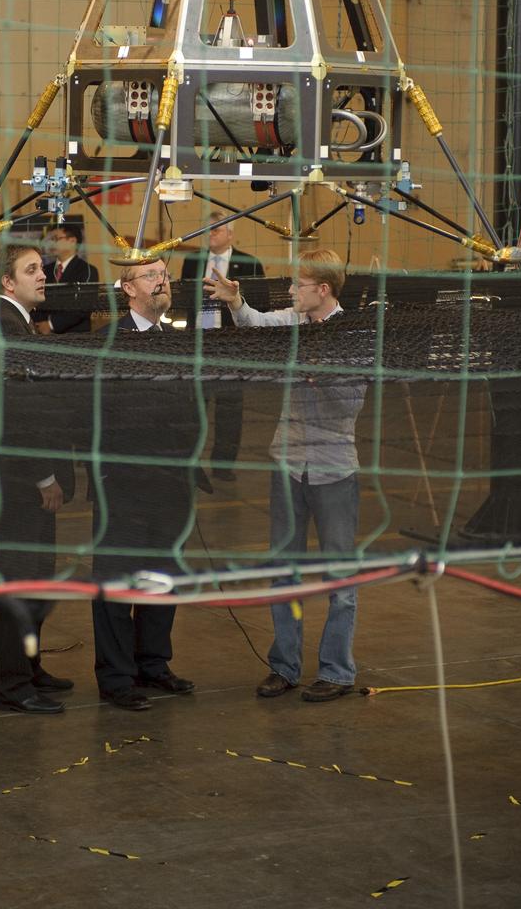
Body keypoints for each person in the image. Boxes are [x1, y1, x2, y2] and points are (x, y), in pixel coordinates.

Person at [205, 249, 366, 703]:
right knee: (283, 572)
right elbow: (257, 323)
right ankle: (285, 666)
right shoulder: (295, 322)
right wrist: (236, 302)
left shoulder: (354, 335)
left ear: (323, 290)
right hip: (288, 465)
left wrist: (319, 374)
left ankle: (336, 670)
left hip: (334, 470)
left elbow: (351, 404)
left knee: (340, 578)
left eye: (298, 285)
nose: (291, 291)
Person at [91, 258, 200, 710]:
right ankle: (117, 677)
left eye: (166, 276)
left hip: (171, 484)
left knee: (163, 579)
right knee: (117, 585)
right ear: (128, 288)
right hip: (123, 485)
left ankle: (153, 664)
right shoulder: (103, 344)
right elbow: (95, 415)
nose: (163, 282)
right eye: (153, 276)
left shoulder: (178, 342)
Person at [0, 244, 73, 714]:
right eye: (31, 270)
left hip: (23, 479)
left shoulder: (15, 322)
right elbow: (11, 412)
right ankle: (11, 685)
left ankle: (29, 668)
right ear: (8, 282)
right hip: (19, 481)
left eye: (43, 268)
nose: (43, 276)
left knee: (36, 577)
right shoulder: (3, 326)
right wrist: (43, 476)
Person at [180, 211, 265, 480]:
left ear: (230, 234)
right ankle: (191, 463)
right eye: (207, 230)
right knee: (195, 407)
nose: (210, 234)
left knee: (229, 408)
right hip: (199, 343)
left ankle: (223, 464)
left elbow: (262, 306)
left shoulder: (249, 264)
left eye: (216, 230)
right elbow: (185, 300)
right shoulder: (192, 262)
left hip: (231, 345)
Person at [32, 221, 100, 335]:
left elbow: (83, 307)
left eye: (56, 239)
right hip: (40, 335)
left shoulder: (87, 270)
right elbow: (35, 299)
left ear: (72, 241)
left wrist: (50, 325)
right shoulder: (44, 270)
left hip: (75, 336)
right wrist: (38, 323)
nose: (51, 243)